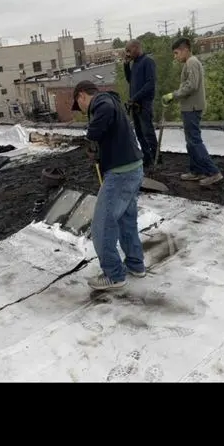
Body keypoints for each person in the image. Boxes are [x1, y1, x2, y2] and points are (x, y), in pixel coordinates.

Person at [72, 80, 145, 292]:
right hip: (134, 169)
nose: (84, 110)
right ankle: (135, 264)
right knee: (126, 220)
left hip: (121, 174)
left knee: (102, 225)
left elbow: (105, 110)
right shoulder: (111, 100)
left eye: (81, 105)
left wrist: (91, 137)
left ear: (82, 96)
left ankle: (114, 275)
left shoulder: (102, 101)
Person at [162, 38, 223, 186]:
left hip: (192, 108)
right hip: (190, 107)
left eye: (176, 53)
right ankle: (196, 171)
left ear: (185, 50)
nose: (175, 57)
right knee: (190, 142)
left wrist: (173, 95)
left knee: (194, 141)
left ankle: (213, 172)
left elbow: (192, 85)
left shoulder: (191, 62)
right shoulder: (190, 63)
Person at [123, 40, 158, 167]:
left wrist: (135, 97)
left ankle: (155, 157)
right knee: (139, 133)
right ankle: (146, 158)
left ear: (136, 48)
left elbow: (150, 84)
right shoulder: (135, 63)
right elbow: (130, 80)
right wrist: (126, 65)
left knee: (147, 132)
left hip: (144, 104)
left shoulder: (147, 62)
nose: (128, 53)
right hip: (135, 105)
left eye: (129, 50)